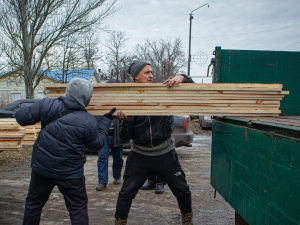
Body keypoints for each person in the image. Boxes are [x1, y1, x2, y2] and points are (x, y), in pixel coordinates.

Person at [15, 78, 115, 225]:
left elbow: (21, 117)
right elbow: (97, 144)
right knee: (77, 209)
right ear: (88, 98)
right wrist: (106, 120)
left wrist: (39, 106)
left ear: (68, 91)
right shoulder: (89, 120)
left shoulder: (47, 104)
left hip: (43, 169)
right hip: (71, 174)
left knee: (33, 205)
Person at [114, 60, 194, 225]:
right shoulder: (128, 100)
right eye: (146, 73)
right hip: (140, 155)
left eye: (151, 72)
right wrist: (126, 120)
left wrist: (182, 77)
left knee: (183, 190)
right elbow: (123, 139)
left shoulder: (164, 92)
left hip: (165, 153)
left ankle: (187, 220)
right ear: (136, 77)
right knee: (126, 193)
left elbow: (195, 91)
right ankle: (120, 222)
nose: (151, 75)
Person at [96, 117, 124, 191]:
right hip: (103, 135)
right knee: (102, 157)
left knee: (118, 157)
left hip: (117, 134)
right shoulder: (100, 106)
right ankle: (102, 182)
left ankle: (117, 176)